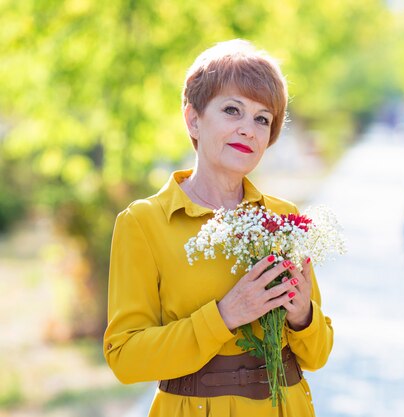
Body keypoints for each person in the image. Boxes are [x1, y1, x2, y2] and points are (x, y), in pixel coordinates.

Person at [103, 39, 333, 417]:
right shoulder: (143, 222)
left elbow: (318, 355)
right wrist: (224, 316)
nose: (249, 129)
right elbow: (125, 358)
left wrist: (302, 315)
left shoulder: (285, 218)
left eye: (262, 118)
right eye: (232, 110)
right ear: (193, 118)